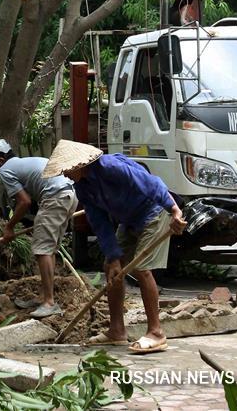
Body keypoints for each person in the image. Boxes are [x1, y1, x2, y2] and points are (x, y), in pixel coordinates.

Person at [43, 139, 187, 354]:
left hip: (153, 212)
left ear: (78, 165)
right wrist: (113, 256)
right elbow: (99, 221)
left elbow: (152, 184)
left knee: (141, 268)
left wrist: (175, 211)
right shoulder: (82, 187)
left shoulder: (111, 167)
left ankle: (156, 332)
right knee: (111, 269)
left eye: (66, 169)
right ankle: (117, 330)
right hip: (128, 219)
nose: (64, 174)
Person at [0, 139, 78, 319]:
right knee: (49, 250)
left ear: (0, 160)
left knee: (42, 250)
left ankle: (49, 303)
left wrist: (9, 227)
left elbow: (24, 202)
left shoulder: (5, 170)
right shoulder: (21, 163)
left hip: (54, 197)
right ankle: (44, 297)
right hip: (68, 194)